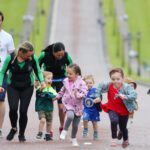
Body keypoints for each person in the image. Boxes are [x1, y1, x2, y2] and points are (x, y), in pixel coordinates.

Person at [0, 41, 45, 142]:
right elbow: (2, 72)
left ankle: (21, 134)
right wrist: (0, 85)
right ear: (20, 52)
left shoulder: (33, 58)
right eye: (28, 55)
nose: (30, 57)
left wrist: (42, 81)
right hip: (13, 86)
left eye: (31, 55)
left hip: (27, 87)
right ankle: (14, 128)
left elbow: (38, 71)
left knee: (23, 111)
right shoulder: (10, 58)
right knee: (13, 108)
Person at [94, 68, 137, 148]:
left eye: (118, 79)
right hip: (112, 108)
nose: (115, 81)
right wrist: (98, 97)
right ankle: (113, 138)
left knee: (123, 128)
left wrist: (124, 96)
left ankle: (125, 139)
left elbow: (134, 95)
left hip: (124, 110)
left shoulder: (126, 87)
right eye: (113, 79)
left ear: (122, 79)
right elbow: (99, 87)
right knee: (114, 121)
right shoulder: (109, 85)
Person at [38, 42, 73, 134]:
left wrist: (72, 81)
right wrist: (39, 79)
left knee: (61, 107)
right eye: (58, 55)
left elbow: (73, 69)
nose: (60, 57)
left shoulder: (66, 56)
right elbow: (36, 66)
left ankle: (62, 126)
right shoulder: (44, 55)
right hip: (49, 81)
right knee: (49, 106)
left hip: (61, 81)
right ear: (53, 52)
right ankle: (50, 129)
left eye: (62, 54)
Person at [54, 64, 87, 146]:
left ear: (77, 74)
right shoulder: (65, 81)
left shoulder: (81, 83)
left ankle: (73, 138)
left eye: (70, 74)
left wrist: (78, 95)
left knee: (75, 125)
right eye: (67, 73)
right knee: (70, 116)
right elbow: (62, 91)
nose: (68, 75)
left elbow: (84, 93)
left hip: (78, 106)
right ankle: (64, 131)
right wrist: (57, 97)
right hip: (68, 103)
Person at [0, 11, 15, 138]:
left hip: (2, 72)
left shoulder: (7, 37)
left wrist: (11, 71)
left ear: (2, 21)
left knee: (0, 100)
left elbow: (12, 56)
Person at [35, 71, 57, 141]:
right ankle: (40, 132)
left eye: (51, 79)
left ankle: (47, 135)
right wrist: (42, 88)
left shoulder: (52, 89)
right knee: (43, 120)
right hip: (41, 107)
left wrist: (56, 96)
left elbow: (54, 97)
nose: (50, 80)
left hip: (49, 108)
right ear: (43, 79)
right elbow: (38, 92)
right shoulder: (40, 87)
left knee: (49, 122)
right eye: (48, 78)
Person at [82, 75, 101, 140]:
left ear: (93, 83)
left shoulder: (95, 90)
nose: (88, 84)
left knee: (94, 122)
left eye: (90, 83)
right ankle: (85, 130)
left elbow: (99, 98)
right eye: (86, 83)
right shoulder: (83, 90)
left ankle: (95, 133)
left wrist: (97, 99)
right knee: (85, 119)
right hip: (86, 109)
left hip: (94, 110)